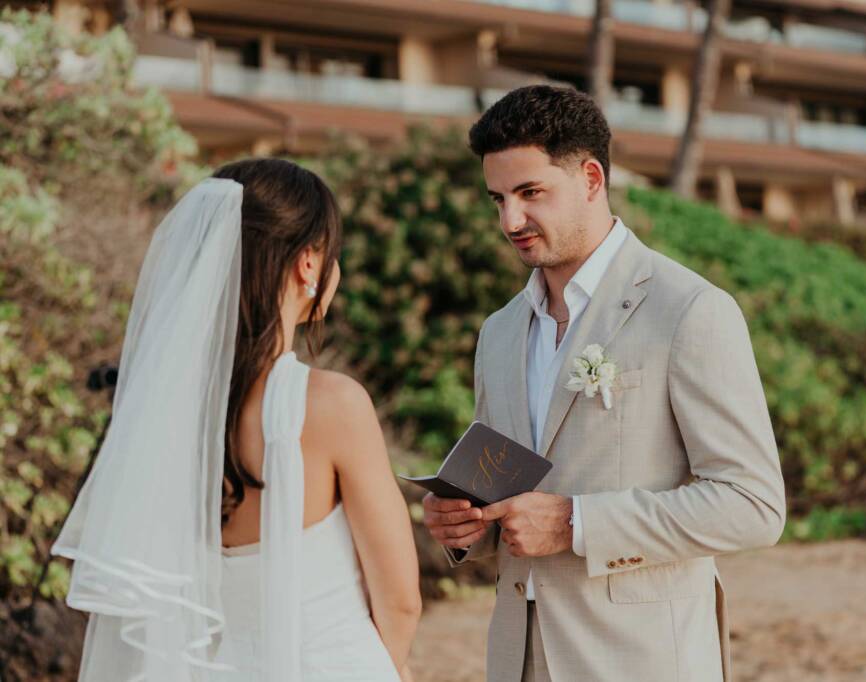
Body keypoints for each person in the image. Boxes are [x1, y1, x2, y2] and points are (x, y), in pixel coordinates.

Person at [422, 85, 786, 682]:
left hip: (638, 660)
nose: (510, 220)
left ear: (591, 178)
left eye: (530, 192)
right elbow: (508, 493)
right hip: (518, 659)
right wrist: (463, 525)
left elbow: (754, 505)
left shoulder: (690, 309)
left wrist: (576, 523)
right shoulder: (499, 332)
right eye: (498, 198)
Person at [53, 158, 420, 682]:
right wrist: (396, 665)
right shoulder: (333, 404)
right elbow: (401, 599)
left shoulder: (165, 412)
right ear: (309, 265)